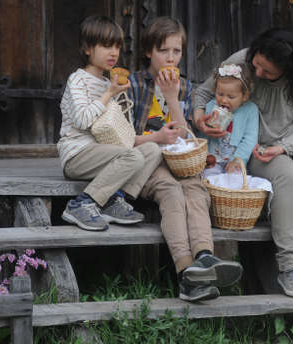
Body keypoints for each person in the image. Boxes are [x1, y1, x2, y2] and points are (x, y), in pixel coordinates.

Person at [193, 28, 293, 299]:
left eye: (267, 71)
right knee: (288, 177)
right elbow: (202, 94)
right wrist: (199, 118)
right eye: (257, 65)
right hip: (259, 149)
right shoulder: (242, 61)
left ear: (287, 70)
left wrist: (283, 147)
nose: (258, 73)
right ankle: (290, 268)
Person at [128, 16, 243, 302]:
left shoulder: (186, 87)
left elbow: (186, 138)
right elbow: (122, 138)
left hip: (180, 162)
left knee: (195, 190)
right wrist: (156, 137)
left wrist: (172, 97)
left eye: (176, 51)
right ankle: (186, 272)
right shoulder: (133, 85)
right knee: (172, 192)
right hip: (146, 162)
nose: (170, 58)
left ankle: (205, 257)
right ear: (148, 52)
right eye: (163, 50)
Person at [57, 15, 162, 231]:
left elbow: (120, 133)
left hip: (103, 152)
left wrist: (119, 99)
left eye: (116, 46)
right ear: (87, 49)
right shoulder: (77, 80)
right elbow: (83, 120)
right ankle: (83, 203)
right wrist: (108, 94)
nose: (114, 52)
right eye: (106, 46)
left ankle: (114, 199)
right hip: (77, 154)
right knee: (132, 156)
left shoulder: (109, 82)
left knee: (152, 150)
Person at [199, 63, 259, 178]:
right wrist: (205, 155)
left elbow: (250, 139)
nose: (224, 100)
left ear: (245, 96)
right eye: (220, 94)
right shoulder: (211, 106)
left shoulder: (250, 110)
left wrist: (237, 160)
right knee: (208, 178)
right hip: (213, 160)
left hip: (235, 160)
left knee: (236, 180)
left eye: (231, 97)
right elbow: (204, 134)